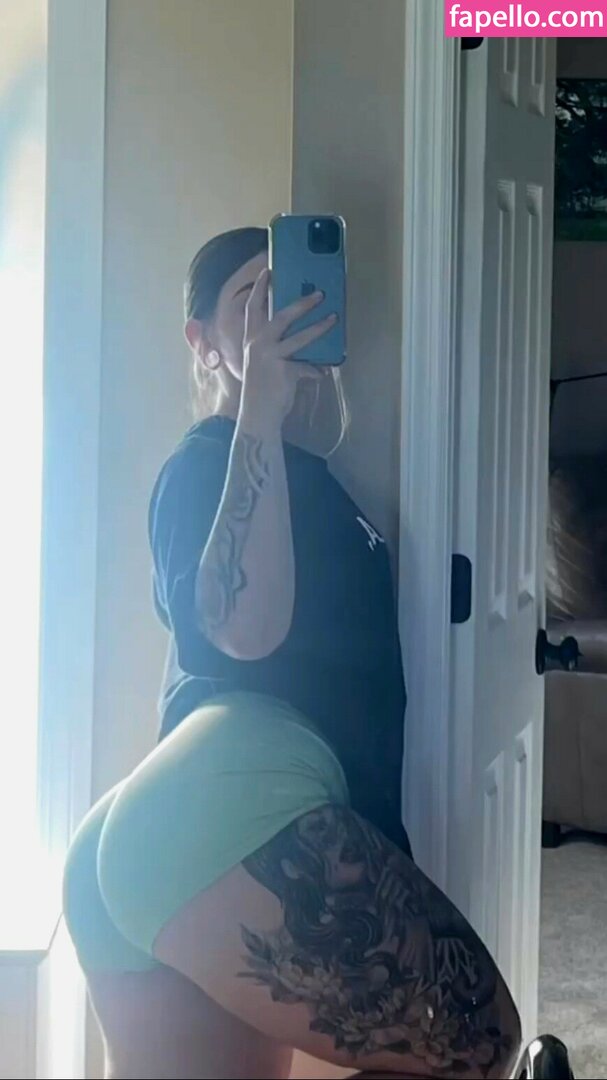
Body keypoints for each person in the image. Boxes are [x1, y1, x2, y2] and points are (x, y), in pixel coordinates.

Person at [63, 228, 522, 1080]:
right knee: (481, 1038)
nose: (277, 315)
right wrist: (259, 410)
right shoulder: (205, 459)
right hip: (227, 806)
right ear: (202, 340)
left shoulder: (311, 476)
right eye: (252, 300)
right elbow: (243, 631)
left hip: (170, 833)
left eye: (292, 294)